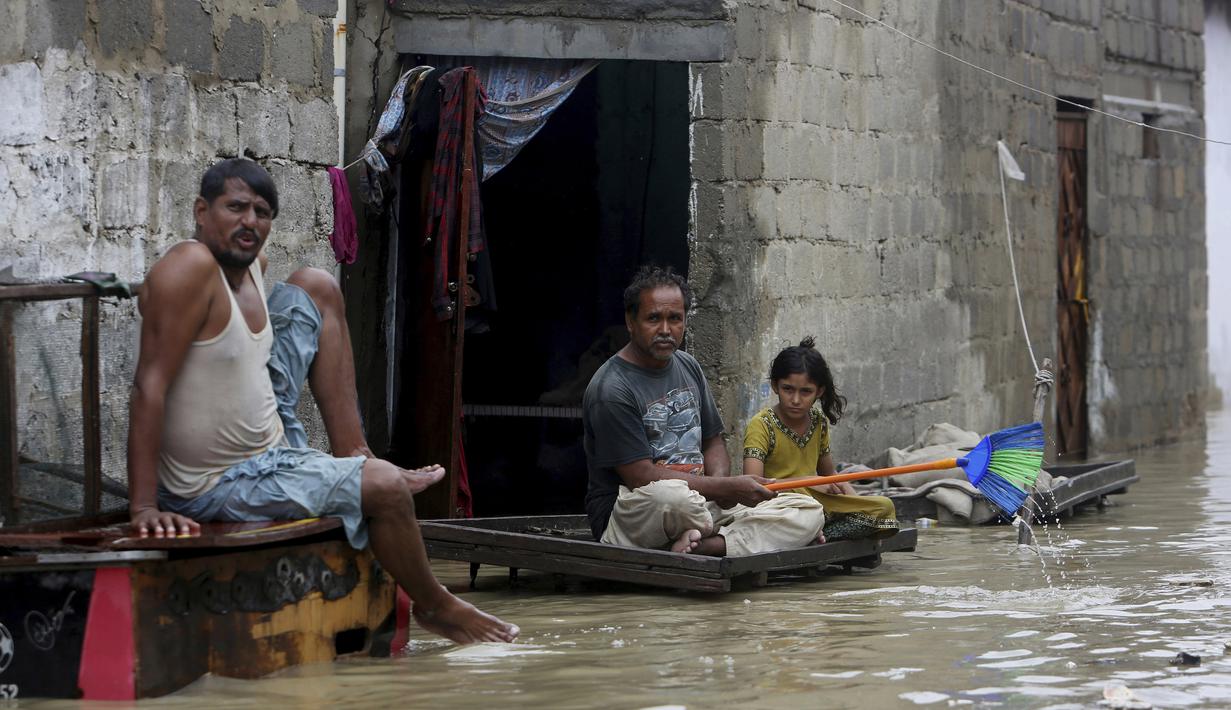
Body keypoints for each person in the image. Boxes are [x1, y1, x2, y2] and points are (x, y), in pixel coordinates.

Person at [126, 158, 517, 644]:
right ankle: (435, 605)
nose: (250, 222)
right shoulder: (189, 267)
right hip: (221, 481)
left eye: (262, 212)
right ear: (201, 212)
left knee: (316, 284)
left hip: (269, 441)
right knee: (387, 489)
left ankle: (353, 453)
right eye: (236, 208)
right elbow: (149, 386)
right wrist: (144, 506)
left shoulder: (252, 266)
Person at [583, 265, 825, 557]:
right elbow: (640, 476)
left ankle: (709, 544)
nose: (665, 330)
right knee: (672, 498)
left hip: (701, 499)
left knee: (808, 509)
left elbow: (712, 441)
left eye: (675, 319)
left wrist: (722, 486)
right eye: (653, 319)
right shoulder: (611, 389)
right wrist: (721, 489)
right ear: (630, 322)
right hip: (635, 510)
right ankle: (729, 535)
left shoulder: (688, 365)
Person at [743, 337, 898, 541]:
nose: (796, 400)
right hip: (780, 506)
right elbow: (754, 487)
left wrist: (855, 503)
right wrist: (806, 482)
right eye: (788, 389)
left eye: (805, 392)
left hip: (816, 505)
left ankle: (819, 534)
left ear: (819, 391)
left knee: (884, 507)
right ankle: (811, 533)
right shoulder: (761, 424)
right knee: (802, 515)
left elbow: (830, 475)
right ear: (775, 386)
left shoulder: (818, 422)